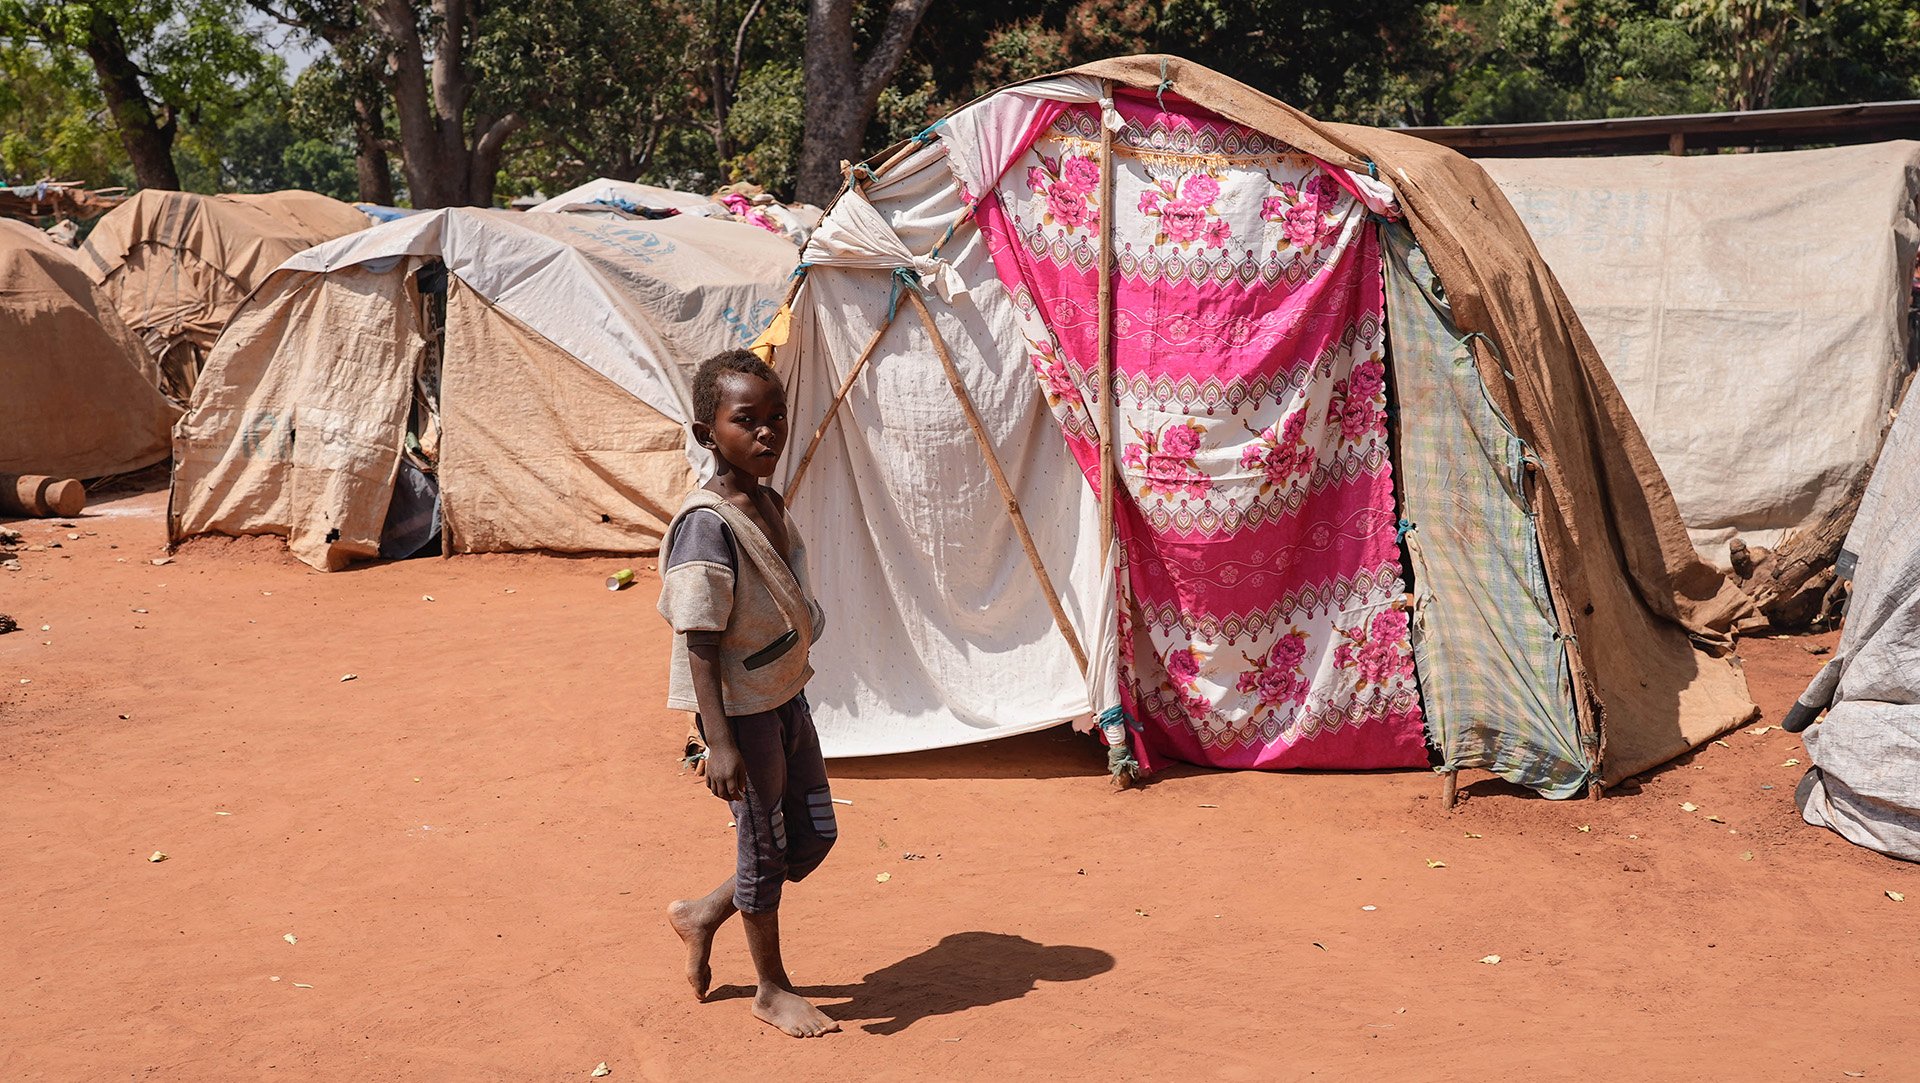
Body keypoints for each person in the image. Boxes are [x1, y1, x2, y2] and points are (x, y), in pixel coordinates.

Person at [661, 350, 839, 1038]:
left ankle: (703, 910)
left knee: (814, 835)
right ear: (709, 433)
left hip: (782, 690)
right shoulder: (706, 523)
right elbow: (699, 639)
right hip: (740, 709)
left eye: (776, 417)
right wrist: (720, 742)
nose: (767, 432)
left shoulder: (766, 500)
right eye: (746, 421)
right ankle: (771, 988)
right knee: (764, 849)